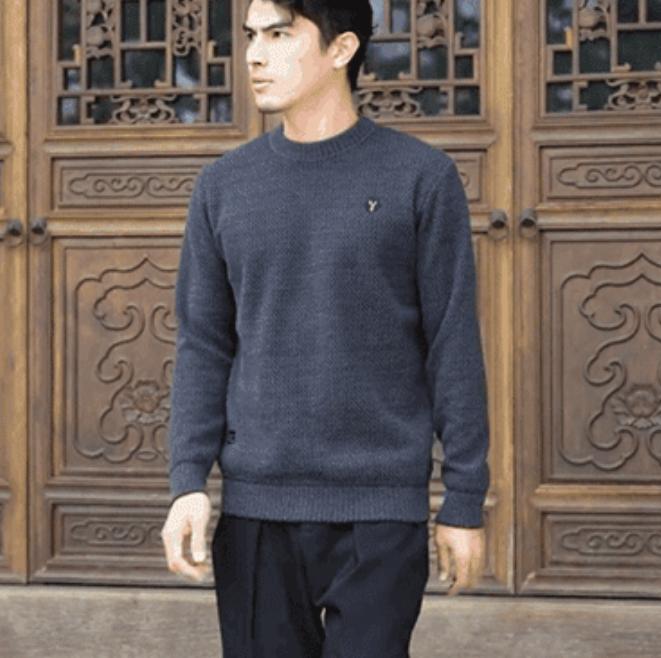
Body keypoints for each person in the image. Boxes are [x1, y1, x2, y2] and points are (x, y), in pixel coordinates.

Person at [160, 0, 491, 655]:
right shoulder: (223, 187)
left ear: (341, 49)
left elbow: (452, 343)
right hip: (256, 512)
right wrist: (188, 482)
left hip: (379, 513)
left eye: (280, 34)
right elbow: (204, 346)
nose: (255, 55)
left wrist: (463, 499)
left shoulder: (421, 178)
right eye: (252, 36)